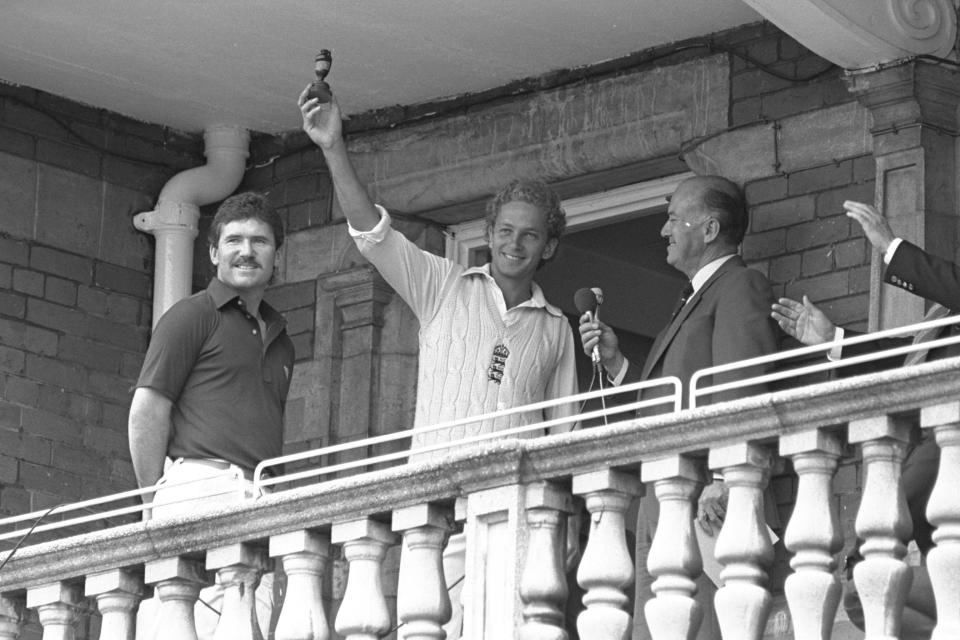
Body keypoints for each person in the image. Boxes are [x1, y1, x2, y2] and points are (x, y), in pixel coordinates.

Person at [299, 87, 578, 636]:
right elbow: (373, 236)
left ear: (547, 246)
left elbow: (562, 439)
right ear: (488, 234)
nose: (513, 244)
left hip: (515, 522)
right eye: (504, 231)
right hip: (436, 519)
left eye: (529, 235)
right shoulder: (443, 285)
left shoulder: (557, 328)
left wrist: (560, 537)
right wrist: (333, 147)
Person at [579, 175, 780, 640]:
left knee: (706, 627)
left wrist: (726, 479)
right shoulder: (696, 295)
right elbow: (674, 398)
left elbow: (740, 386)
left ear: (708, 230)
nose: (664, 231)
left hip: (706, 501)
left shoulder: (739, 285)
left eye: (672, 218)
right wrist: (618, 365)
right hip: (665, 497)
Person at [771, 199, 950, 638]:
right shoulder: (942, 314)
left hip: (945, 451)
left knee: (872, 578)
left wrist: (892, 247)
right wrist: (831, 339)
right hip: (932, 477)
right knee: (871, 595)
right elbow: (901, 362)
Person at [129, 191, 294, 640]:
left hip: (256, 493)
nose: (246, 251)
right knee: (185, 624)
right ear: (213, 251)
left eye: (259, 241)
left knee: (249, 628)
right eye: (235, 240)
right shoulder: (192, 315)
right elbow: (148, 409)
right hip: (198, 485)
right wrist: (152, 500)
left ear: (277, 253)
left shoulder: (282, 340)